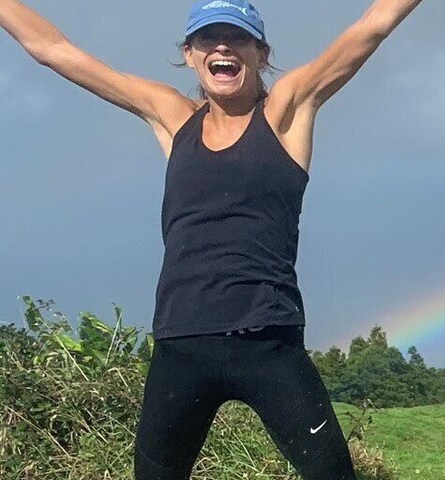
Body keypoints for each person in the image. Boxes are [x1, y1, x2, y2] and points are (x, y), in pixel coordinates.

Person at [1, 0, 422, 477]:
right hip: (182, 344)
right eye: (208, 38)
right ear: (189, 53)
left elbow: (373, 26)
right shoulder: (173, 117)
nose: (222, 46)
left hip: (267, 340)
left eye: (238, 37)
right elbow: (53, 49)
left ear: (261, 54)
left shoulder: (286, 111)